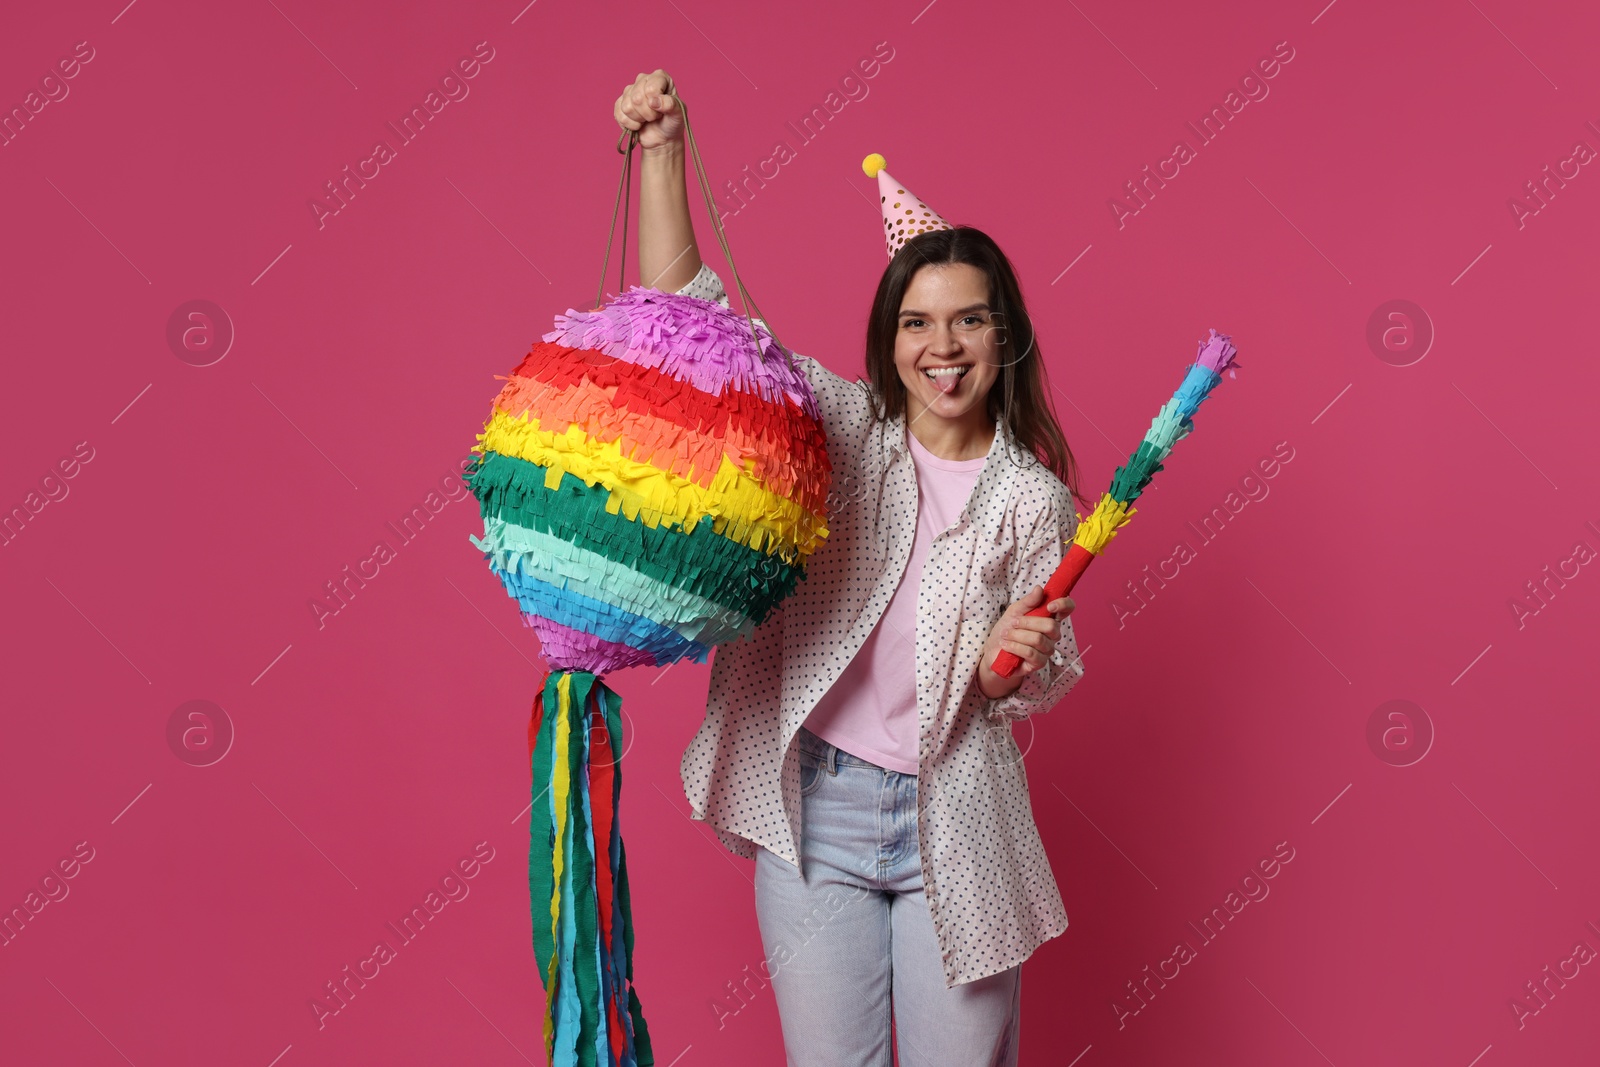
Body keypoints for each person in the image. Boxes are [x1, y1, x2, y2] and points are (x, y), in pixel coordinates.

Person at [616, 69, 1090, 1066]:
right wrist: (664, 151)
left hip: (953, 822)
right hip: (816, 814)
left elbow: (1029, 680)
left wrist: (1015, 656)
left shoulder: (1031, 499)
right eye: (917, 321)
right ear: (889, 337)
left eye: (967, 319)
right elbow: (692, 316)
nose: (942, 344)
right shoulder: (836, 427)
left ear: (1003, 336)